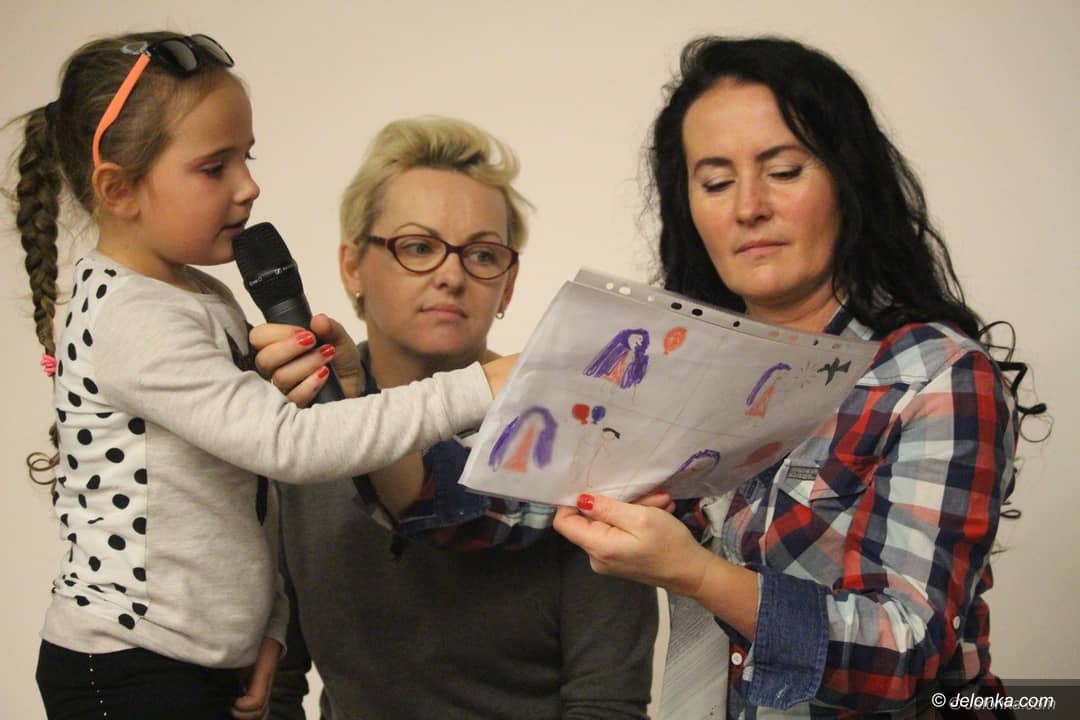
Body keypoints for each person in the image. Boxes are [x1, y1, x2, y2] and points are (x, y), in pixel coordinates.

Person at [13, 34, 511, 720]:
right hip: (130, 669)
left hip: (191, 661)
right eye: (214, 167)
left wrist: (267, 625)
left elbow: (245, 495)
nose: (248, 186)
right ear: (119, 189)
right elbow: (289, 447)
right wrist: (482, 386)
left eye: (246, 158)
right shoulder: (134, 318)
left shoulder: (198, 295)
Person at [553, 36, 1027, 718]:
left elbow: (903, 653)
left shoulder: (935, 376)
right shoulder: (681, 369)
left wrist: (697, 574)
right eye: (716, 183)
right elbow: (513, 507)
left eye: (782, 171)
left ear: (847, 181)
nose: (748, 207)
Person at [250, 116, 658, 719]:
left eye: (482, 254)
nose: (450, 274)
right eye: (418, 247)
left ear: (508, 285)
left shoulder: (580, 442)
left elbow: (608, 706)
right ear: (352, 266)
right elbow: (274, 689)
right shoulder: (300, 426)